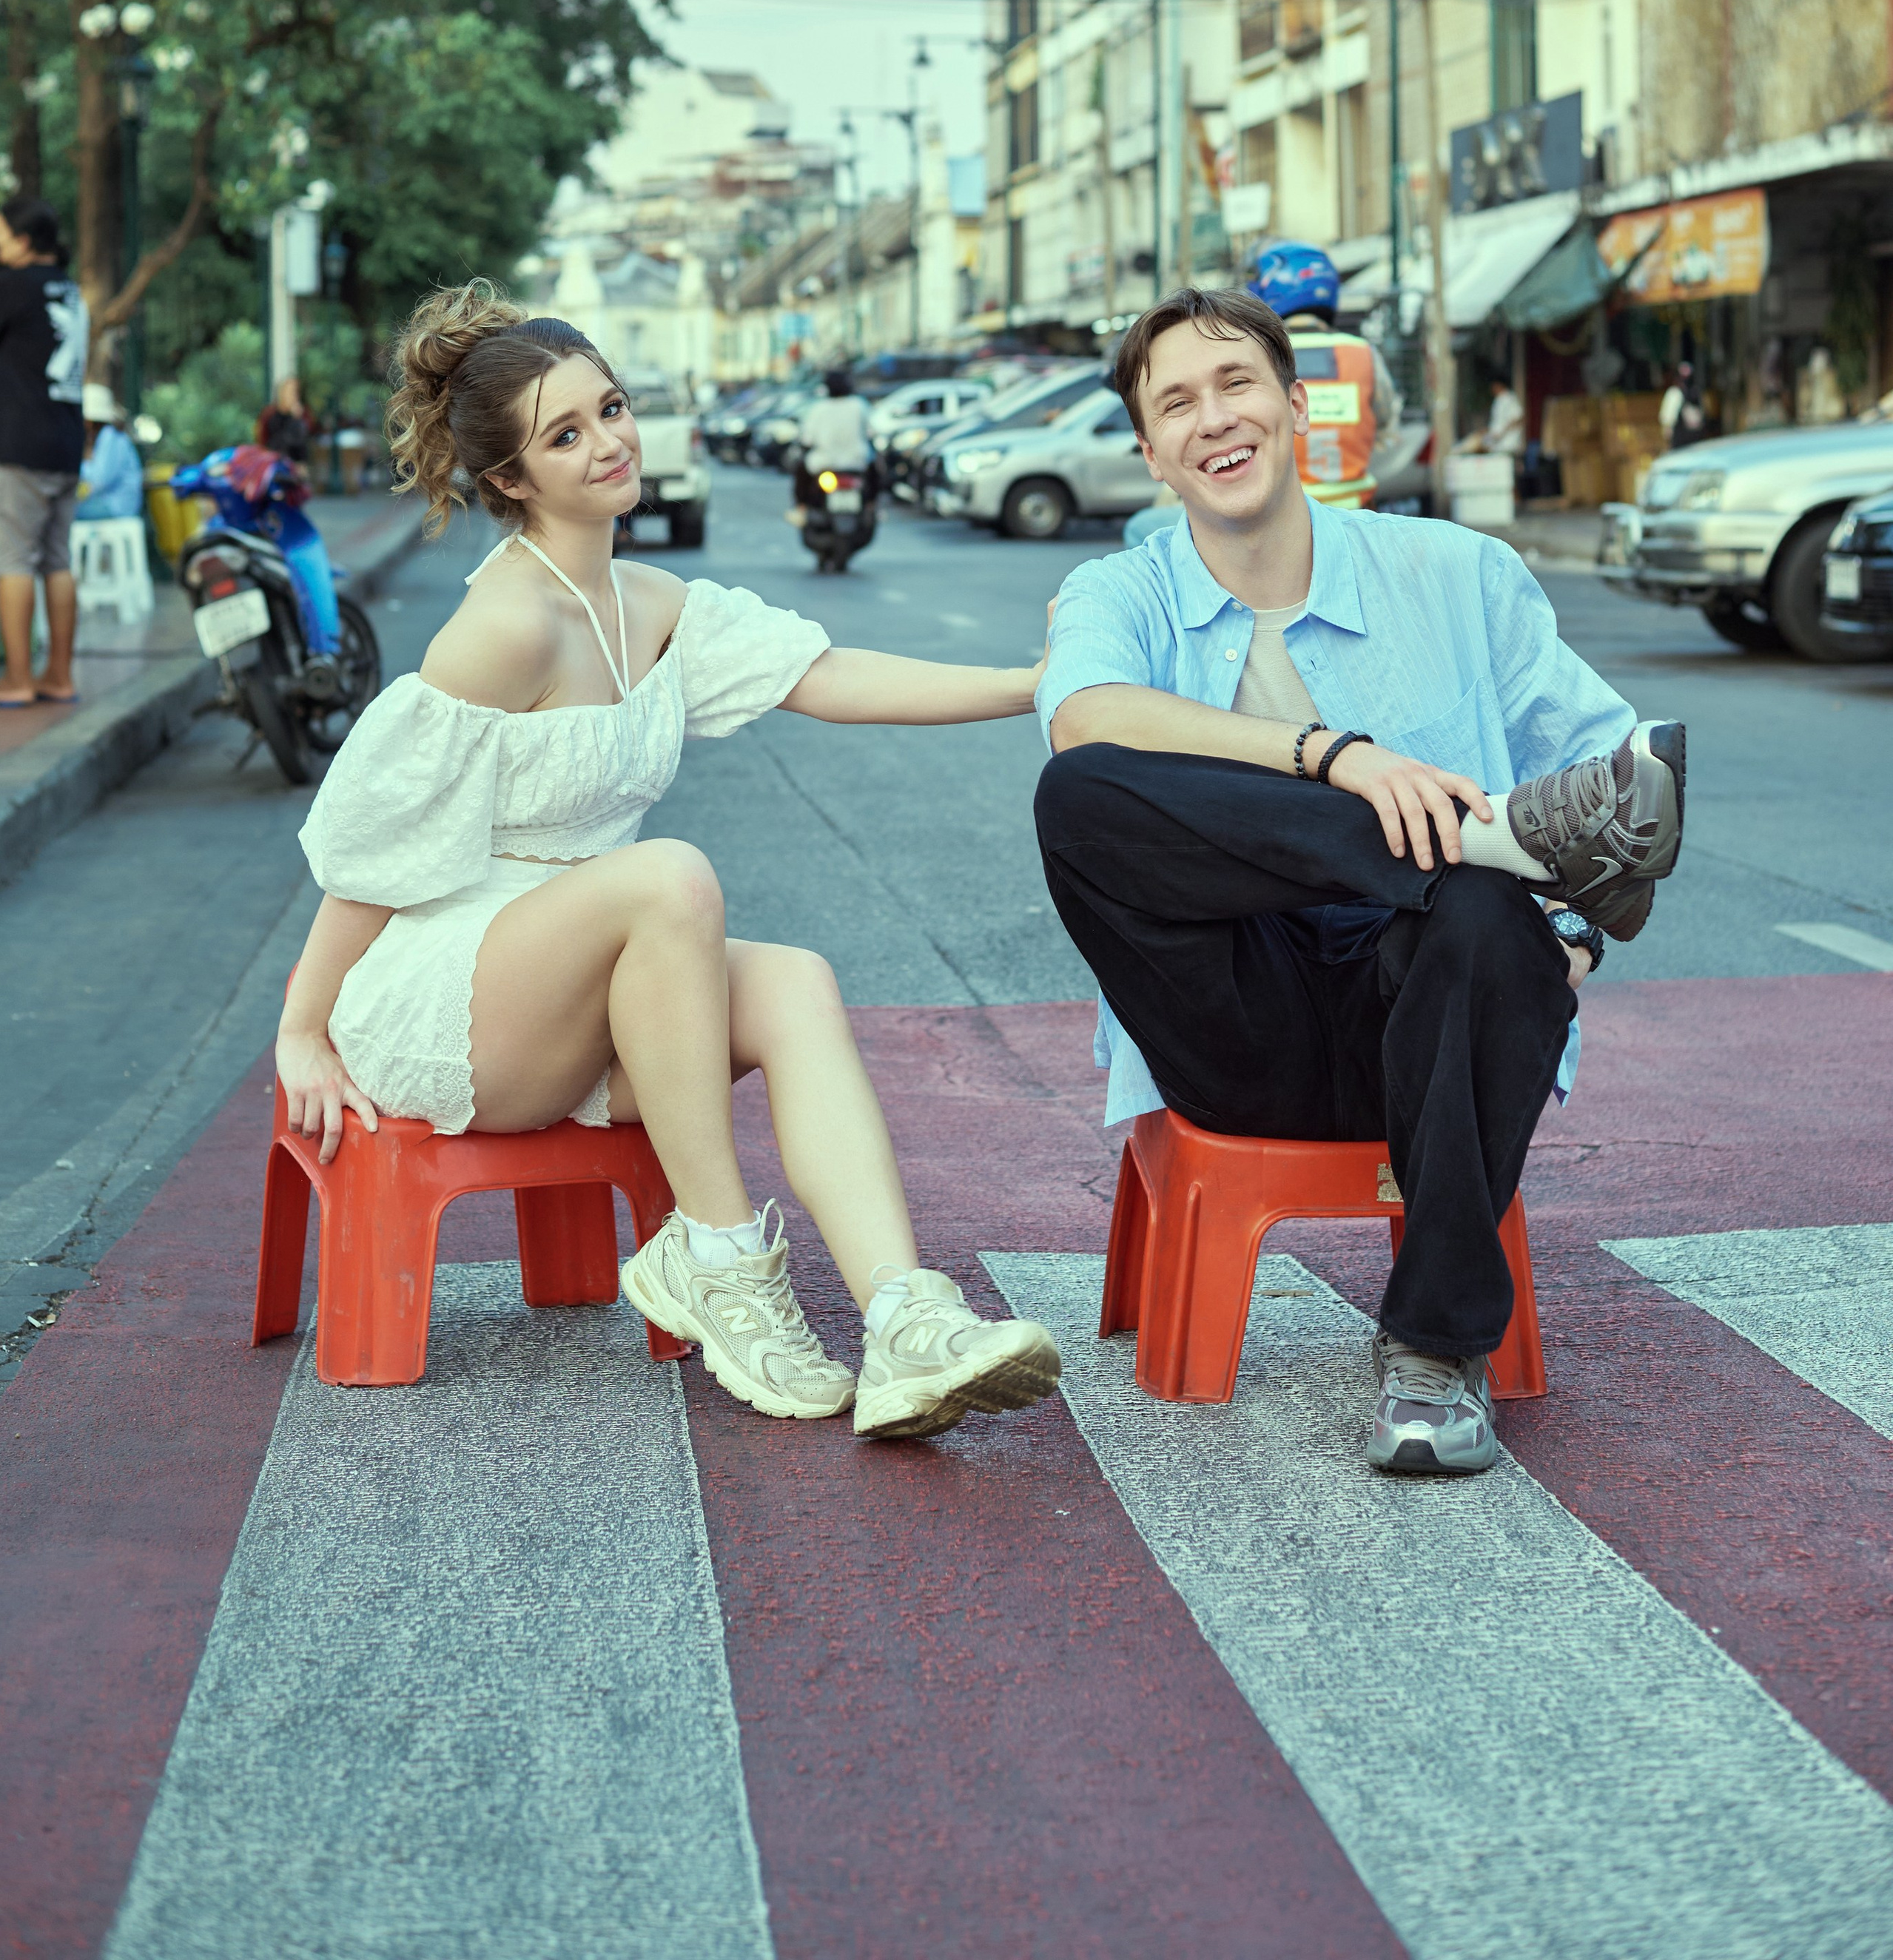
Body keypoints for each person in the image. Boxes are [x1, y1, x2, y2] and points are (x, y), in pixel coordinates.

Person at [279, 283, 1063, 1443]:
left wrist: (1032, 686)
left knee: (793, 979)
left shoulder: (647, 599)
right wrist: (303, 1025)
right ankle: (720, 1254)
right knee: (670, 874)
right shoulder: (507, 625)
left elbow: (825, 674)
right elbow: (372, 842)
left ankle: (904, 1316)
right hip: (454, 1003)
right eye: (565, 434)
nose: (609, 442)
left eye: (611, 408)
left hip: (594, 981)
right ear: (511, 478)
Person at [1032, 286, 1686, 1478]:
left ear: (1296, 405)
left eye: (1237, 382)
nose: (1213, 417)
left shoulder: (1455, 570)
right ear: (1151, 452)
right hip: (1239, 1019)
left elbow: (1623, 778)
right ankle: (1479, 842)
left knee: (1483, 904)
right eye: (1176, 402)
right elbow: (1081, 716)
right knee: (1080, 793)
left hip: (1436, 1015)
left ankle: (1435, 1348)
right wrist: (1335, 757)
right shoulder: (1119, 591)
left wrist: (1573, 937)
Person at [0, 195, 89, 707]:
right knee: (57, 560)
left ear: (24, 240)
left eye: (0, 234)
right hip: (66, 443)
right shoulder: (70, 290)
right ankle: (59, 675)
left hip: (21, 443)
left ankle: (17, 679)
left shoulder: (13, 287)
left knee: (13, 559)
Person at [1247, 241, 1399, 508]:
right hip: (1357, 512)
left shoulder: (1260, 354)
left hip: (1285, 515)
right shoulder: (1362, 352)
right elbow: (1386, 426)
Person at [73, 383, 147, 524]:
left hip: (117, 507)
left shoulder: (110, 436)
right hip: (109, 503)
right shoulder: (106, 437)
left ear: (89, 421)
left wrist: (75, 469)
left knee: (65, 511)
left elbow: (100, 480)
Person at [258, 374, 317, 469]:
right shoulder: (270, 413)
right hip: (274, 463)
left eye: (296, 392)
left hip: (296, 465)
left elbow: (308, 436)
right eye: (290, 391)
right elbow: (262, 439)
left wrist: (298, 418)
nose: (293, 395)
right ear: (282, 392)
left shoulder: (304, 414)